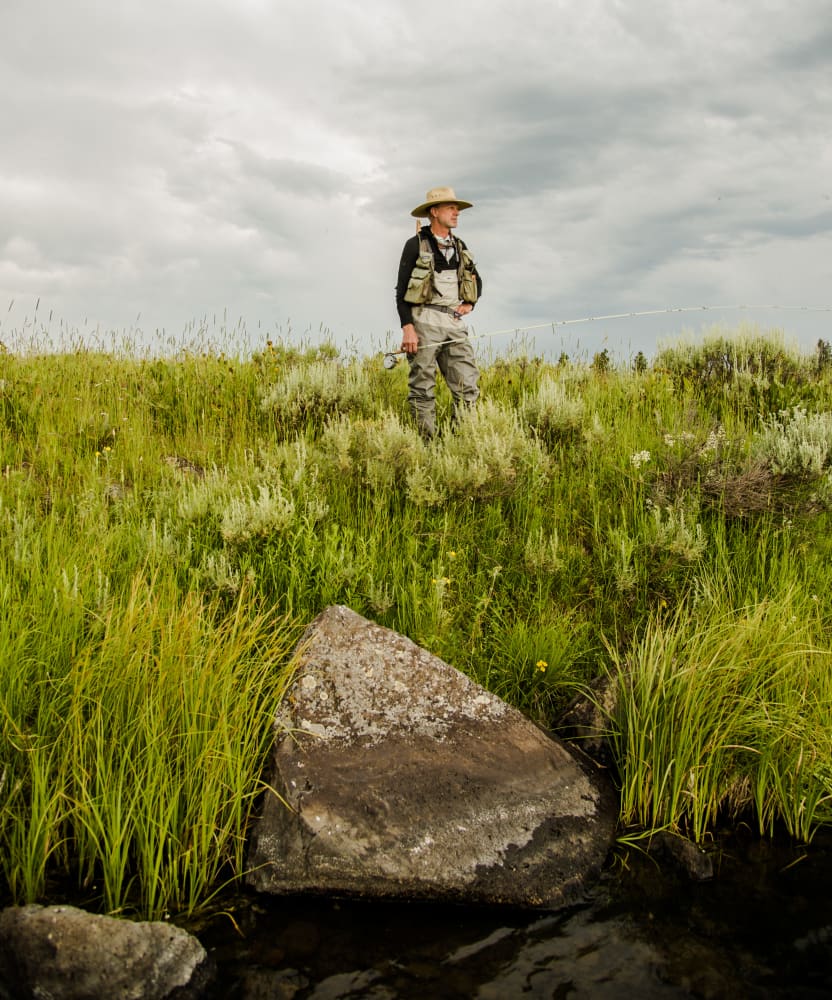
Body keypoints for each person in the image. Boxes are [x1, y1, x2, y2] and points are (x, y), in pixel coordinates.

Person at [396, 186, 482, 440]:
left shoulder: (460, 245)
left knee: (468, 387)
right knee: (422, 389)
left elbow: (478, 281)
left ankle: (458, 446)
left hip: (454, 325)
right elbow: (401, 291)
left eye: (457, 208)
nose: (456, 213)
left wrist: (470, 304)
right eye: (451, 208)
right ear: (434, 212)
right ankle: (427, 447)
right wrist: (408, 328)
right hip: (424, 322)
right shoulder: (415, 245)